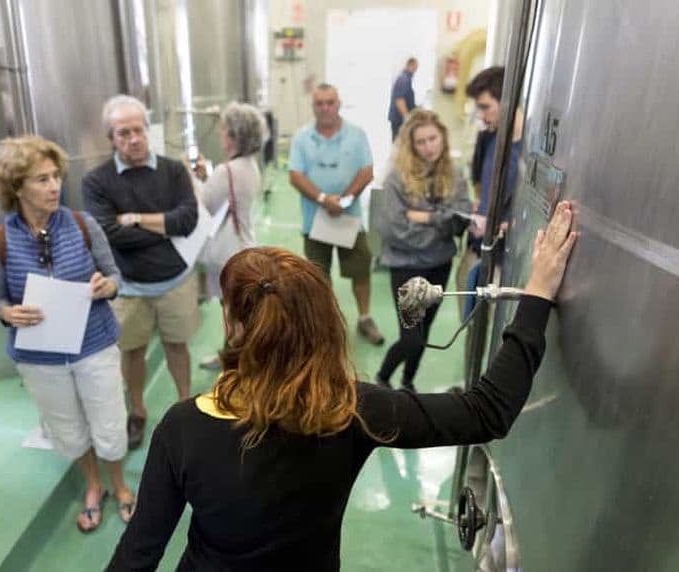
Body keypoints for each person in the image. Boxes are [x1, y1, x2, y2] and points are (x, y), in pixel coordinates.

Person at [106, 201, 578, 571]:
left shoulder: (184, 425)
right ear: (325, 323)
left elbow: (138, 554)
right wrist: (537, 294)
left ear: (232, 326)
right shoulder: (351, 409)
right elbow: (487, 410)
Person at [0, 136, 135, 533]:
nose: (54, 187)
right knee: (67, 428)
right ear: (16, 187)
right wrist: (7, 313)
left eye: (56, 177)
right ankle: (93, 484)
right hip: (40, 358)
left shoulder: (83, 225)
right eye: (41, 179)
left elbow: (115, 276)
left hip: (94, 346)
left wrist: (108, 286)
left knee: (110, 424)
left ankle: (119, 484)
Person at [82, 95, 199, 450]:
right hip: (127, 286)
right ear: (111, 139)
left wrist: (133, 219)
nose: (133, 138)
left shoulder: (173, 170)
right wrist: (162, 227)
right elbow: (106, 233)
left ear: (148, 130)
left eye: (138, 130)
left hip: (174, 280)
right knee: (131, 352)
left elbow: (187, 221)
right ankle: (137, 411)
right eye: (123, 133)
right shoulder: (96, 182)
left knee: (177, 346)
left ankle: (184, 408)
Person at [375, 110, 471, 392]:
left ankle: (407, 382)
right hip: (407, 267)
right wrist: (441, 223)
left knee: (425, 331)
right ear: (411, 145)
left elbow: (461, 216)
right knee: (411, 337)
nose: (429, 146)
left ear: (443, 137)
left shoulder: (455, 175)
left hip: (440, 265)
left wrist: (425, 217)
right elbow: (393, 228)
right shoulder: (397, 179)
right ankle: (382, 378)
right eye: (421, 142)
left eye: (433, 139)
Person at [289, 83, 384, 346]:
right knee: (319, 276)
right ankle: (326, 325)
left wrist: (345, 199)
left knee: (360, 270)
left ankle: (364, 317)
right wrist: (322, 199)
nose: (325, 108)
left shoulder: (356, 134)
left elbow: (367, 171)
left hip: (348, 218)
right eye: (319, 103)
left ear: (339, 103)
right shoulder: (302, 138)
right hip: (314, 220)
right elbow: (295, 175)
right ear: (313, 107)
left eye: (330, 102)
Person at [190, 102, 267, 371]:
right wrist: (207, 178)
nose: (221, 134)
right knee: (235, 309)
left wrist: (193, 180)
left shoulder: (228, 171)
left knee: (232, 312)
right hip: (244, 243)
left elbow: (204, 205)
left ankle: (236, 365)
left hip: (228, 252)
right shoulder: (248, 166)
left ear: (234, 135)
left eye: (224, 130)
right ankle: (230, 357)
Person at [455, 66, 524, 318]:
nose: (481, 116)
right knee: (471, 324)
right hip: (477, 249)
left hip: (506, 260)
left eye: (485, 107)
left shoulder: (529, 151)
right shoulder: (488, 140)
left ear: (506, 101)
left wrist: (505, 225)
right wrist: (479, 207)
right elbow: (480, 183)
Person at [388, 57, 419, 140]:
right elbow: (399, 100)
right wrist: (407, 117)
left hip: (399, 119)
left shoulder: (405, 79)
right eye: (415, 67)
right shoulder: (403, 79)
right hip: (399, 120)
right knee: (400, 144)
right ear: (411, 65)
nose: (416, 70)